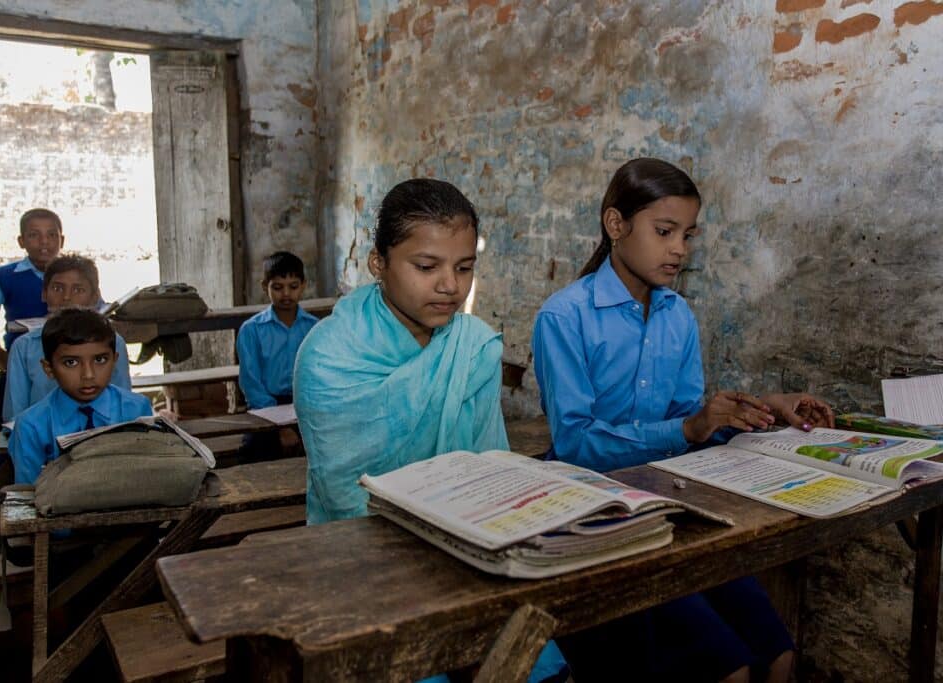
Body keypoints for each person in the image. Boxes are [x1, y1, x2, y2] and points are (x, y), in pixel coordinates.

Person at [532, 157, 834, 682]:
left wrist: (760, 408)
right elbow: (576, 443)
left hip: (673, 504)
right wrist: (686, 430)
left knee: (779, 657)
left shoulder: (678, 315)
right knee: (731, 670)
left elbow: (690, 424)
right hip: (599, 516)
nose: (680, 249)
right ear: (615, 225)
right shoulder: (565, 316)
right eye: (665, 231)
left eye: (688, 235)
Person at [295, 178, 567, 682]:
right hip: (359, 555)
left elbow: (489, 469)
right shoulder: (328, 356)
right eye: (427, 267)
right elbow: (345, 499)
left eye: (465, 268)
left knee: (533, 662)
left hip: (466, 549)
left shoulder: (473, 346)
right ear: (379, 263)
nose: (451, 286)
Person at [8, 308, 152, 485]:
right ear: (49, 368)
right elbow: (27, 493)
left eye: (100, 360)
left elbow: (148, 476)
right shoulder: (31, 426)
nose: (88, 375)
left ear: (114, 361)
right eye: (71, 362)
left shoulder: (137, 409)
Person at [0, 208, 64, 430]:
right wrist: (1, 356)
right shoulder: (4, 277)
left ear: (62, 240)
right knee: (14, 431)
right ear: (21, 241)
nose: (44, 242)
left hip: (69, 371)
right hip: (19, 371)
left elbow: (96, 313)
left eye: (51, 235)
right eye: (34, 235)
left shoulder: (76, 275)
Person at [3, 254, 133, 422]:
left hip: (103, 440)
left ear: (95, 297)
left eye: (78, 290)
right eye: (57, 288)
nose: (66, 297)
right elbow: (15, 416)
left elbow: (123, 406)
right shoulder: (24, 347)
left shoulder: (114, 343)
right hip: (43, 441)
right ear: (44, 293)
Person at [237, 251, 318, 409]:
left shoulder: (314, 328)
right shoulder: (251, 330)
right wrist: (276, 417)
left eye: (293, 286)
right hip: (265, 406)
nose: (286, 293)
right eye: (277, 287)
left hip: (306, 404)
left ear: (303, 286)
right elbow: (251, 384)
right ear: (264, 286)